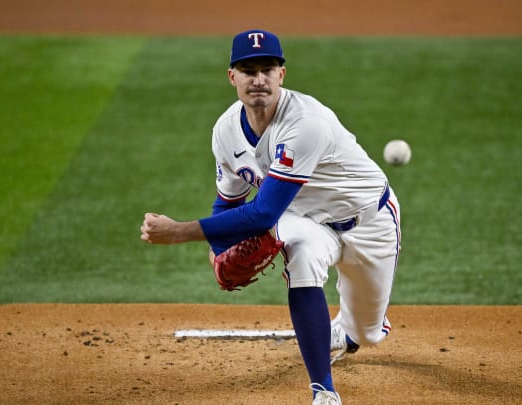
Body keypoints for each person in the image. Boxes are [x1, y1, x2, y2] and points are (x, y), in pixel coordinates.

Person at [140, 29, 402, 405]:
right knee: (303, 257)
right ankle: (324, 390)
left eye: (267, 69)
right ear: (232, 77)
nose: (258, 79)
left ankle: (353, 329)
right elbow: (228, 202)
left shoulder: (306, 122)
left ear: (282, 74)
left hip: (369, 222)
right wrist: (217, 251)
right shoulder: (225, 131)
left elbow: (263, 212)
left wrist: (178, 231)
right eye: (248, 70)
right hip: (307, 221)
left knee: (367, 333)